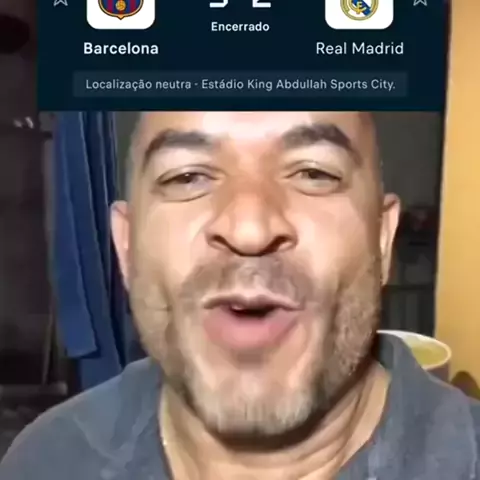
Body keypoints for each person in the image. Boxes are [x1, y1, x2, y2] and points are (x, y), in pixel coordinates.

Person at [1, 111, 479, 479]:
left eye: (314, 173)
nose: (249, 229)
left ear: (382, 239)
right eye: (187, 176)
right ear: (126, 246)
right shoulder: (47, 460)